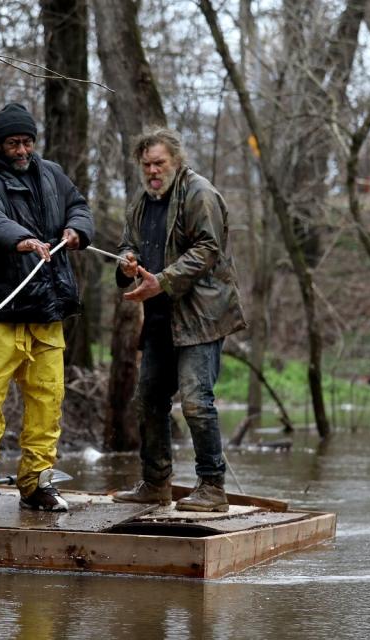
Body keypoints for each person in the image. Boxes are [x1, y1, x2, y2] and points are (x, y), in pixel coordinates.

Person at [0, 103, 94, 513]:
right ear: (0, 143)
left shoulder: (51, 173)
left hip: (47, 310)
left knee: (48, 399)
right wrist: (23, 238)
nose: (21, 150)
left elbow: (80, 206)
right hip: (2, 310)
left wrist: (77, 229)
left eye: (27, 142)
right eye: (14, 143)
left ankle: (37, 482)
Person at [111, 127, 246, 512]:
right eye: (147, 165)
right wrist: (127, 262)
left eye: (160, 163)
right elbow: (127, 244)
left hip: (201, 316)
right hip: (158, 317)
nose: (153, 171)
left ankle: (213, 487)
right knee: (148, 400)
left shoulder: (199, 192)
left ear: (176, 161)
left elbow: (208, 248)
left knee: (195, 402)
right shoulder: (141, 200)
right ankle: (156, 483)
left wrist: (163, 281)